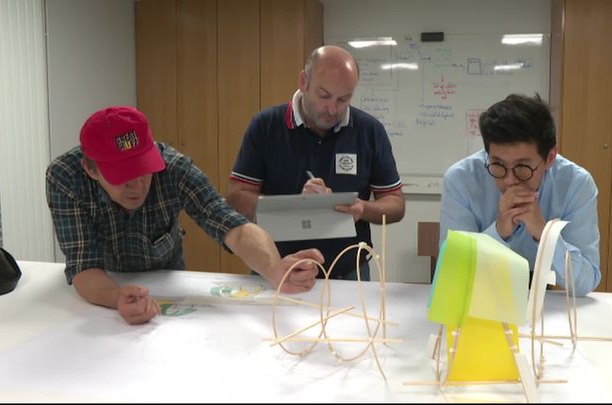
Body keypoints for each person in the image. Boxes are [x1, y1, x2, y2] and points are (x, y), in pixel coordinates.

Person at [46, 106, 323, 325]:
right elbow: (84, 267)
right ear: (90, 169)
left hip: (167, 279)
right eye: (123, 177)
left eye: (143, 170)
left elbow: (232, 226)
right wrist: (118, 297)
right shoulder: (66, 177)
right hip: (101, 286)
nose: (138, 185)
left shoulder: (174, 168)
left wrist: (274, 269)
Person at [226, 45, 405, 281]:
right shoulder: (266, 126)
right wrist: (295, 205)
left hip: (349, 274)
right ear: (303, 81)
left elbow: (395, 204)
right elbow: (236, 198)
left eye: (343, 99)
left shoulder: (369, 131)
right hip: (277, 269)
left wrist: (362, 208)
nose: (332, 109)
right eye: (324, 96)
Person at [440, 94, 600, 297]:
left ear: (550, 158)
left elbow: (585, 282)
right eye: (497, 164)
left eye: (522, 167)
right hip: (480, 292)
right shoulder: (461, 179)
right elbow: (454, 275)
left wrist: (545, 235)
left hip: (541, 296)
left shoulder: (575, 184)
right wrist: (498, 233)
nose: (509, 180)